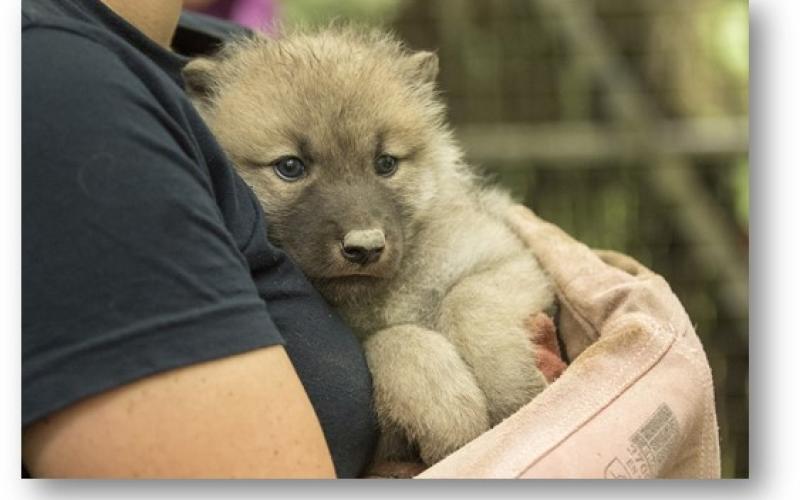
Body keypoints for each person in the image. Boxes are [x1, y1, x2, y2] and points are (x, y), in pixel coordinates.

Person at [22, 0, 719, 479]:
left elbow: (509, 264)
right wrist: (399, 352)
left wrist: (476, 317)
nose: (361, 229)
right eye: (292, 170)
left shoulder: (200, 49)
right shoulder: (61, 89)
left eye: (387, 164)